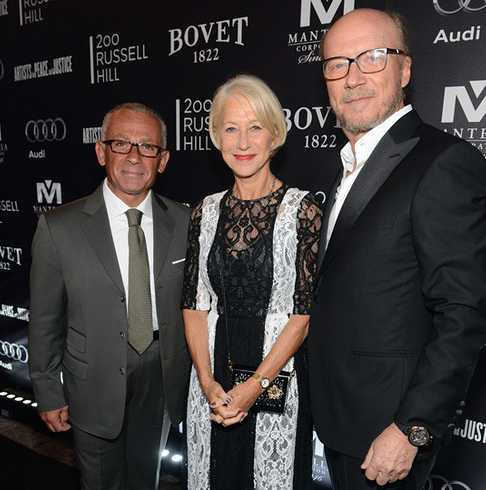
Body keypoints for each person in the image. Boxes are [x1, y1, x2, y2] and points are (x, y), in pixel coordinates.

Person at [308, 8, 486, 490]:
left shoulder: (444, 162)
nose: (352, 78)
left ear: (405, 69)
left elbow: (463, 314)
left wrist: (412, 431)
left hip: (387, 434)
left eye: (371, 58)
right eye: (337, 63)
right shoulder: (347, 168)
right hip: (337, 422)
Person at [28, 102, 191, 490]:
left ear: (163, 159)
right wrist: (48, 390)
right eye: (122, 143)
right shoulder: (58, 228)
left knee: (145, 481)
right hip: (93, 380)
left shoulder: (187, 221)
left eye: (147, 147)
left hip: (161, 377)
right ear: (102, 151)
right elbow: (45, 319)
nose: (134, 156)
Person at [181, 74, 323, 489]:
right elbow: (194, 304)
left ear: (275, 134)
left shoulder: (302, 210)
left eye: (255, 127)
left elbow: (302, 314)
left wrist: (256, 385)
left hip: (278, 370)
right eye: (231, 128)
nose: (243, 142)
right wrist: (207, 382)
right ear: (215, 137)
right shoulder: (204, 213)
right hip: (212, 373)